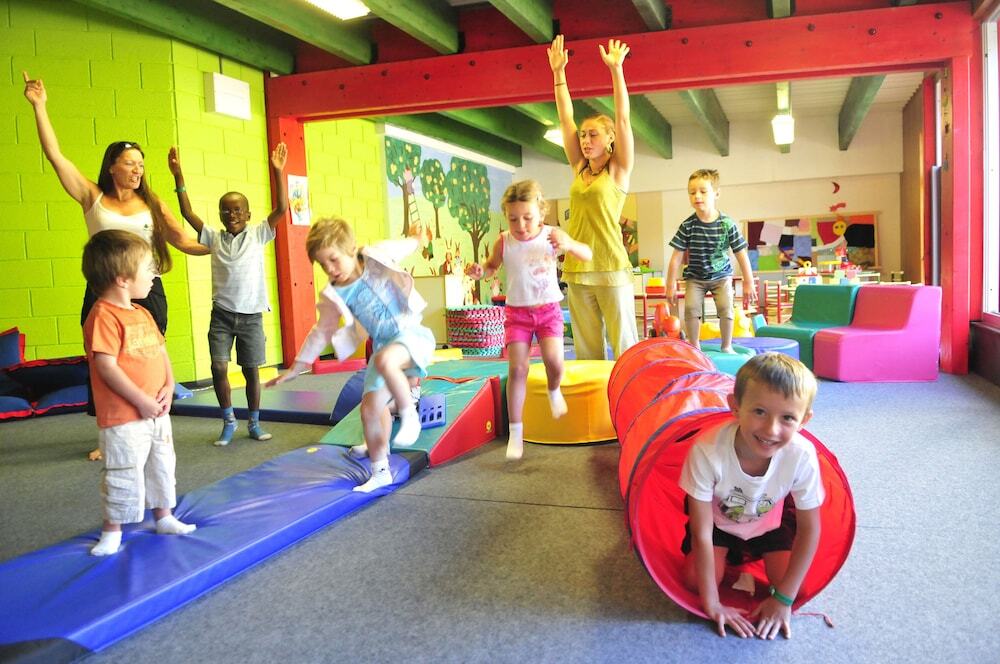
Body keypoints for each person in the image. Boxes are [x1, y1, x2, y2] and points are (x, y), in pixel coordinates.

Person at [23, 71, 207, 460]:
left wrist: (224, 249)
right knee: (104, 360)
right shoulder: (92, 197)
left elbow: (183, 240)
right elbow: (55, 156)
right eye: (130, 163)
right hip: (105, 292)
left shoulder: (152, 203)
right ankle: (110, 434)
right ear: (112, 166)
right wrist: (40, 106)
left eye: (141, 164)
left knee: (146, 357)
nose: (138, 170)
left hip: (147, 290)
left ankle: (153, 425)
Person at [267, 218, 435, 493]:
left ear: (351, 249)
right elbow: (320, 332)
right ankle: (380, 471)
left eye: (334, 260)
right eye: (323, 265)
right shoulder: (333, 293)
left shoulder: (376, 256)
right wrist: (295, 368)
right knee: (370, 409)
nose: (330, 269)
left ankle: (409, 415)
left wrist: (417, 239)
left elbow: (405, 245)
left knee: (386, 361)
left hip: (411, 334)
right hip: (382, 346)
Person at [679, 353, 822, 639]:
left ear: (804, 420)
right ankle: (730, 556)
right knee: (695, 581)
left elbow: (810, 529)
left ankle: (744, 558)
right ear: (735, 406)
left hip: (770, 522)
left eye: (787, 418)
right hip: (719, 523)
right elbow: (701, 531)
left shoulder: (802, 455)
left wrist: (783, 600)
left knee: (798, 588)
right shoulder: (707, 450)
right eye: (759, 411)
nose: (771, 429)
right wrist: (712, 603)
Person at [81, 230, 197, 556]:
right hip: (124, 417)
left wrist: (169, 386)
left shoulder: (143, 312)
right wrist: (140, 400)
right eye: (148, 269)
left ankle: (164, 516)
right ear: (122, 279)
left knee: (161, 465)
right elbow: (106, 367)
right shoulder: (103, 316)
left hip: (156, 411)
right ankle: (112, 531)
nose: (154, 275)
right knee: (123, 471)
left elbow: (161, 353)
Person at [167, 143, 289, 446]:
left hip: (251, 316)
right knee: (219, 367)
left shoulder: (258, 234)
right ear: (220, 214)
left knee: (251, 371)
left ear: (247, 214)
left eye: (237, 210)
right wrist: (178, 175)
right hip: (221, 314)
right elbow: (187, 212)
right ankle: (228, 421)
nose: (231, 214)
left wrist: (278, 172)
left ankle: (254, 422)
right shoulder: (213, 236)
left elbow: (282, 209)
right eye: (226, 209)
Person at [466, 181, 592, 460]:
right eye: (513, 219)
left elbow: (587, 254)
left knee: (554, 362)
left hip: (548, 311)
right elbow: (491, 267)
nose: (520, 225)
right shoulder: (504, 241)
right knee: (518, 368)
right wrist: (480, 272)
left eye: (527, 217)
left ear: (541, 214)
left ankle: (553, 389)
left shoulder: (551, 235)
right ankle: (516, 432)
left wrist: (569, 244)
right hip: (517, 315)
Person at [547, 35, 638, 360]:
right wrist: (559, 73)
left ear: (610, 139)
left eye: (593, 135)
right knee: (587, 350)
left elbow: (623, 118)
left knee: (624, 344)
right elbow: (565, 119)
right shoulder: (579, 168)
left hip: (611, 266)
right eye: (583, 136)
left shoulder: (618, 170)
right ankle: (594, 393)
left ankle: (628, 390)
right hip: (577, 267)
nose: (585, 140)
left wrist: (616, 70)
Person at [666, 169, 758, 353]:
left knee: (726, 308)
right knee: (691, 309)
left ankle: (727, 346)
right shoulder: (688, 225)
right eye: (692, 192)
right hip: (695, 278)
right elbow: (676, 258)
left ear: (716, 193)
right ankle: (694, 346)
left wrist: (748, 281)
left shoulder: (727, 224)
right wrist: (670, 284)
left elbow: (741, 253)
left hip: (721, 276)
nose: (697, 196)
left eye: (703, 191)